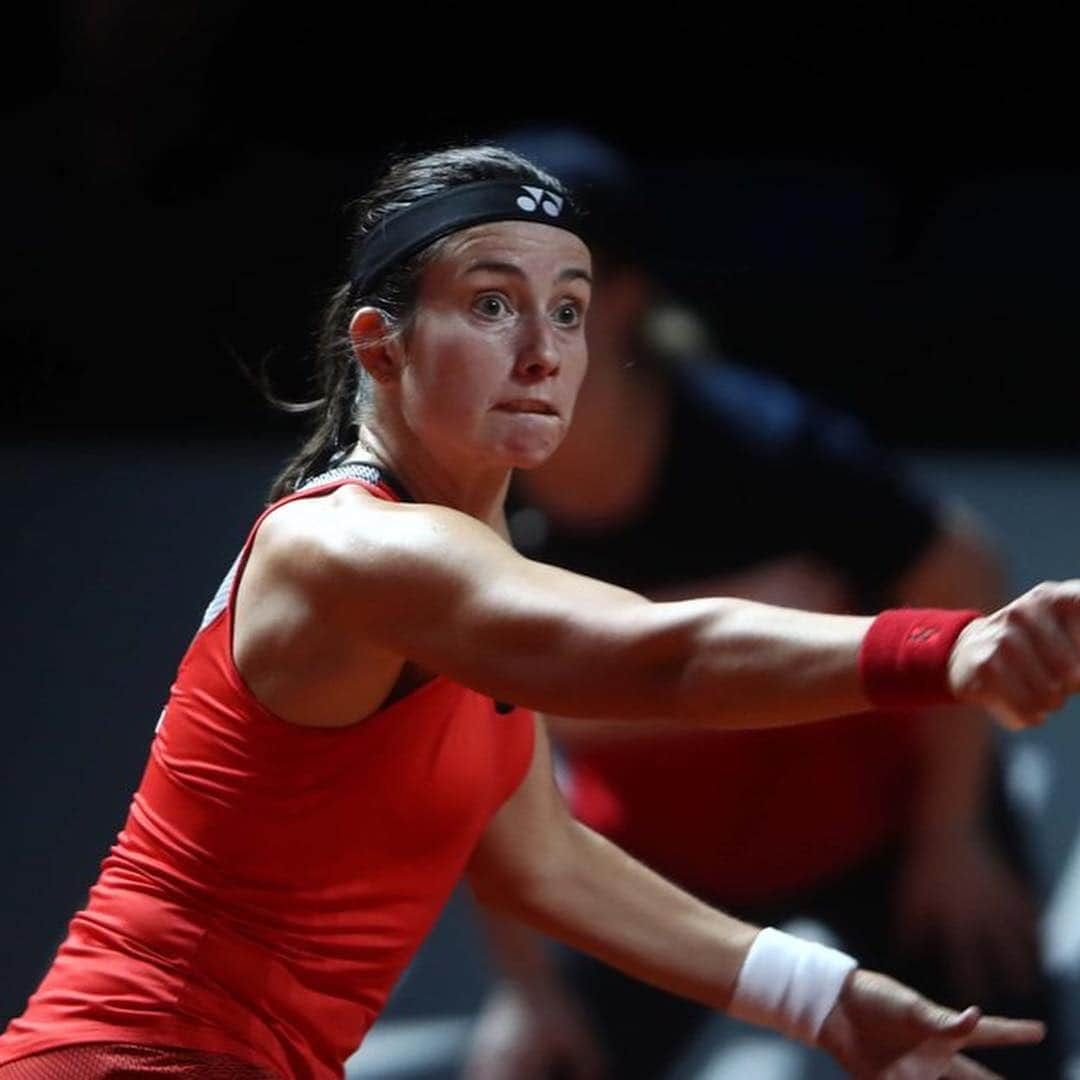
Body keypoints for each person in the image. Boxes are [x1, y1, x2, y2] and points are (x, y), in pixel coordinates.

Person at [0, 144, 1073, 1080]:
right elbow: (666, 661)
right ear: (381, 346)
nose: (545, 348)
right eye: (492, 304)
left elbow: (539, 860)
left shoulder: (456, 569)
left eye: (568, 307)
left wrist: (821, 996)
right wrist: (950, 645)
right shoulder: (351, 546)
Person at [461, 131, 1065, 1080]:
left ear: (620, 299)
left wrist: (953, 836)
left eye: (550, 296)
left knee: (991, 1056)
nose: (509, 339)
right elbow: (478, 746)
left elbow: (961, 579)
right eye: (476, 300)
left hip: (889, 834)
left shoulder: (774, 453)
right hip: (661, 870)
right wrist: (527, 988)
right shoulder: (455, 505)